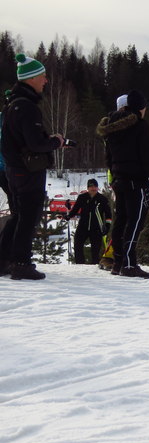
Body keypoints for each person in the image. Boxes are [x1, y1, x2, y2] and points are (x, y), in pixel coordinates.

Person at [0, 54, 65, 280]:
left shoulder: (13, 104)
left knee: (18, 215)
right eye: (43, 76)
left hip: (13, 169)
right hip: (27, 170)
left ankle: (4, 260)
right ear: (31, 78)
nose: (46, 81)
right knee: (28, 216)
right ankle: (21, 263)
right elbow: (35, 143)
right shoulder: (27, 107)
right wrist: (55, 141)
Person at [96, 89, 149, 278]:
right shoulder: (140, 126)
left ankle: (118, 262)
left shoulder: (112, 127)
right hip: (136, 182)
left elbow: (108, 157)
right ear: (140, 108)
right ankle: (128, 263)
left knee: (121, 221)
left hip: (119, 181)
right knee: (134, 223)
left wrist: (115, 176)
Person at [65, 179, 112, 264]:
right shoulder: (82, 197)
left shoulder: (102, 199)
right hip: (83, 226)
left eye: (95, 186)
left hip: (97, 228)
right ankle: (80, 264)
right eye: (91, 187)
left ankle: (95, 265)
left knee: (95, 250)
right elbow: (75, 209)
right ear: (88, 188)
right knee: (78, 245)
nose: (93, 188)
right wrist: (69, 215)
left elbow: (108, 215)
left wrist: (107, 226)